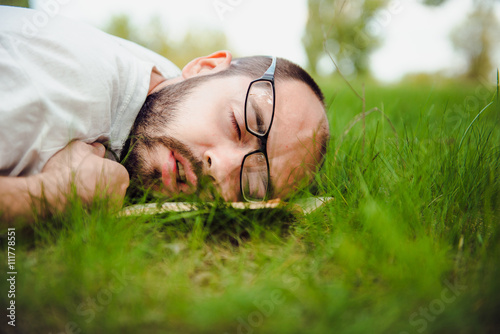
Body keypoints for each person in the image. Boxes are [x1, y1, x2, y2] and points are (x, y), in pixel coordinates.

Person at [0, 6, 330, 223]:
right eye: (236, 124)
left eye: (253, 183)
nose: (221, 168)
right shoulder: (66, 86)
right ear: (205, 67)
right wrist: (50, 195)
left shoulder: (162, 82)